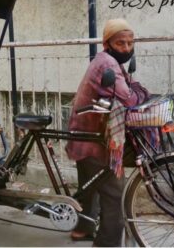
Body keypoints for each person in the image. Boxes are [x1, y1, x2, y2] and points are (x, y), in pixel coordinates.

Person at [66, 18, 149, 247]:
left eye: (130, 43)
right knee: (115, 194)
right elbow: (130, 98)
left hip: (86, 131)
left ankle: (82, 229)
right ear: (107, 43)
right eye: (121, 43)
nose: (127, 48)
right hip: (92, 137)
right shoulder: (108, 64)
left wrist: (135, 89)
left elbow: (127, 89)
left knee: (90, 185)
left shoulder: (110, 60)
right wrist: (142, 92)